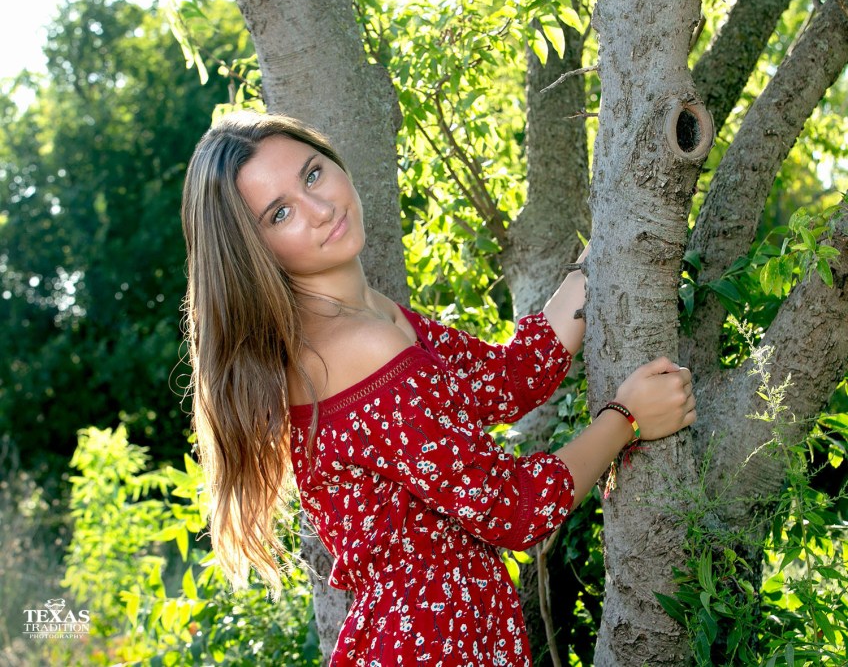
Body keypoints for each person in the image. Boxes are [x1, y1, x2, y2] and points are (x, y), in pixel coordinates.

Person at [180, 111, 696, 666]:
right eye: (280, 213)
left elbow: (507, 379)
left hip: (443, 633)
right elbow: (514, 510)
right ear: (253, 252)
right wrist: (625, 417)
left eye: (312, 174)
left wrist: (604, 252)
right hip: (431, 643)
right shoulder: (358, 348)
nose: (320, 208)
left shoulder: (370, 318)